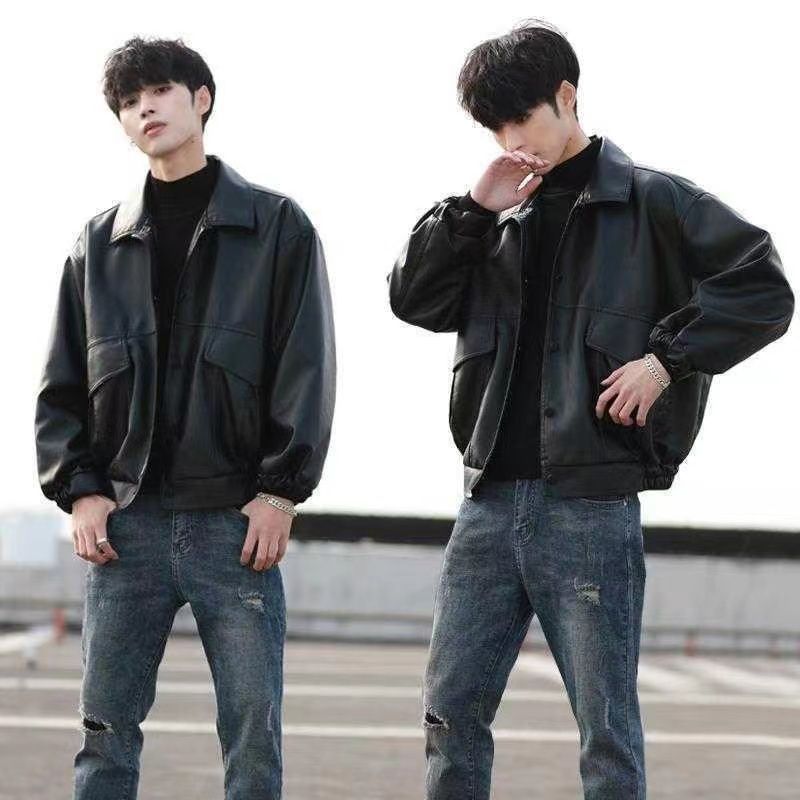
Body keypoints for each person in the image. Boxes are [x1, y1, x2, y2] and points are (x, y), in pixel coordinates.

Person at [387, 18, 793, 800]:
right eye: (494, 127)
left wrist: (665, 360)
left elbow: (763, 287)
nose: (512, 140)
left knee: (605, 728)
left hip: (591, 502)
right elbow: (414, 299)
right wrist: (472, 209)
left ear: (567, 97)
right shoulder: (495, 215)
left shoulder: (654, 202)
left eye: (522, 117)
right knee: (449, 710)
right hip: (487, 502)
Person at [34, 36, 336, 799]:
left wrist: (279, 493)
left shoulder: (276, 227)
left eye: (160, 91)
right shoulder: (96, 245)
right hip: (125, 526)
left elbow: (306, 367)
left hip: (233, 522)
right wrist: (81, 490)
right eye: (129, 101)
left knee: (252, 731)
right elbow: (62, 383)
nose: (145, 108)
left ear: (201, 99)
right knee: (105, 732)